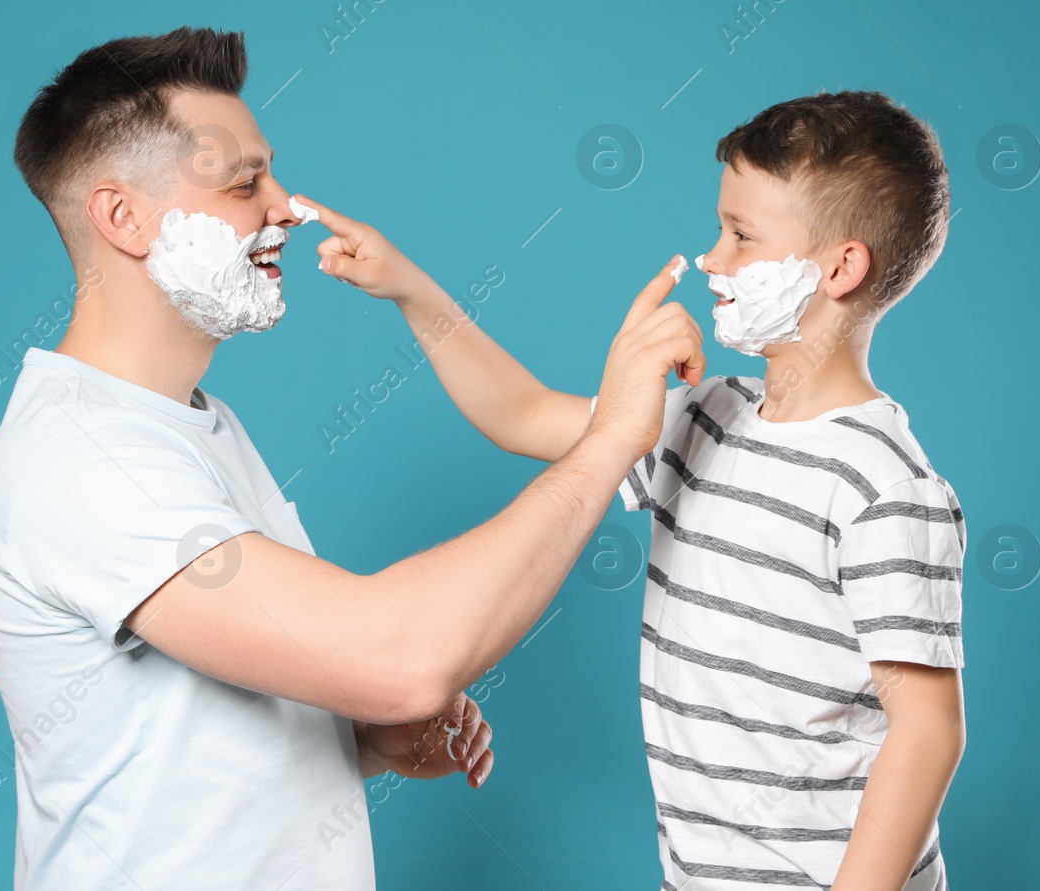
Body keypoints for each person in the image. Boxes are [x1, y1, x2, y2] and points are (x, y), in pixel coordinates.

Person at [0, 26, 700, 890]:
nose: (286, 205)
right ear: (123, 217)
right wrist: (613, 434)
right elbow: (398, 659)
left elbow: (198, 733)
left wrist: (360, 741)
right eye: (246, 183)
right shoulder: (86, 460)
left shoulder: (195, 423)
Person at [318, 89, 967, 889]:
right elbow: (521, 413)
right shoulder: (703, 415)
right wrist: (410, 288)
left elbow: (928, 730)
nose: (712, 257)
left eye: (740, 235)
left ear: (840, 266)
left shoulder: (886, 486)